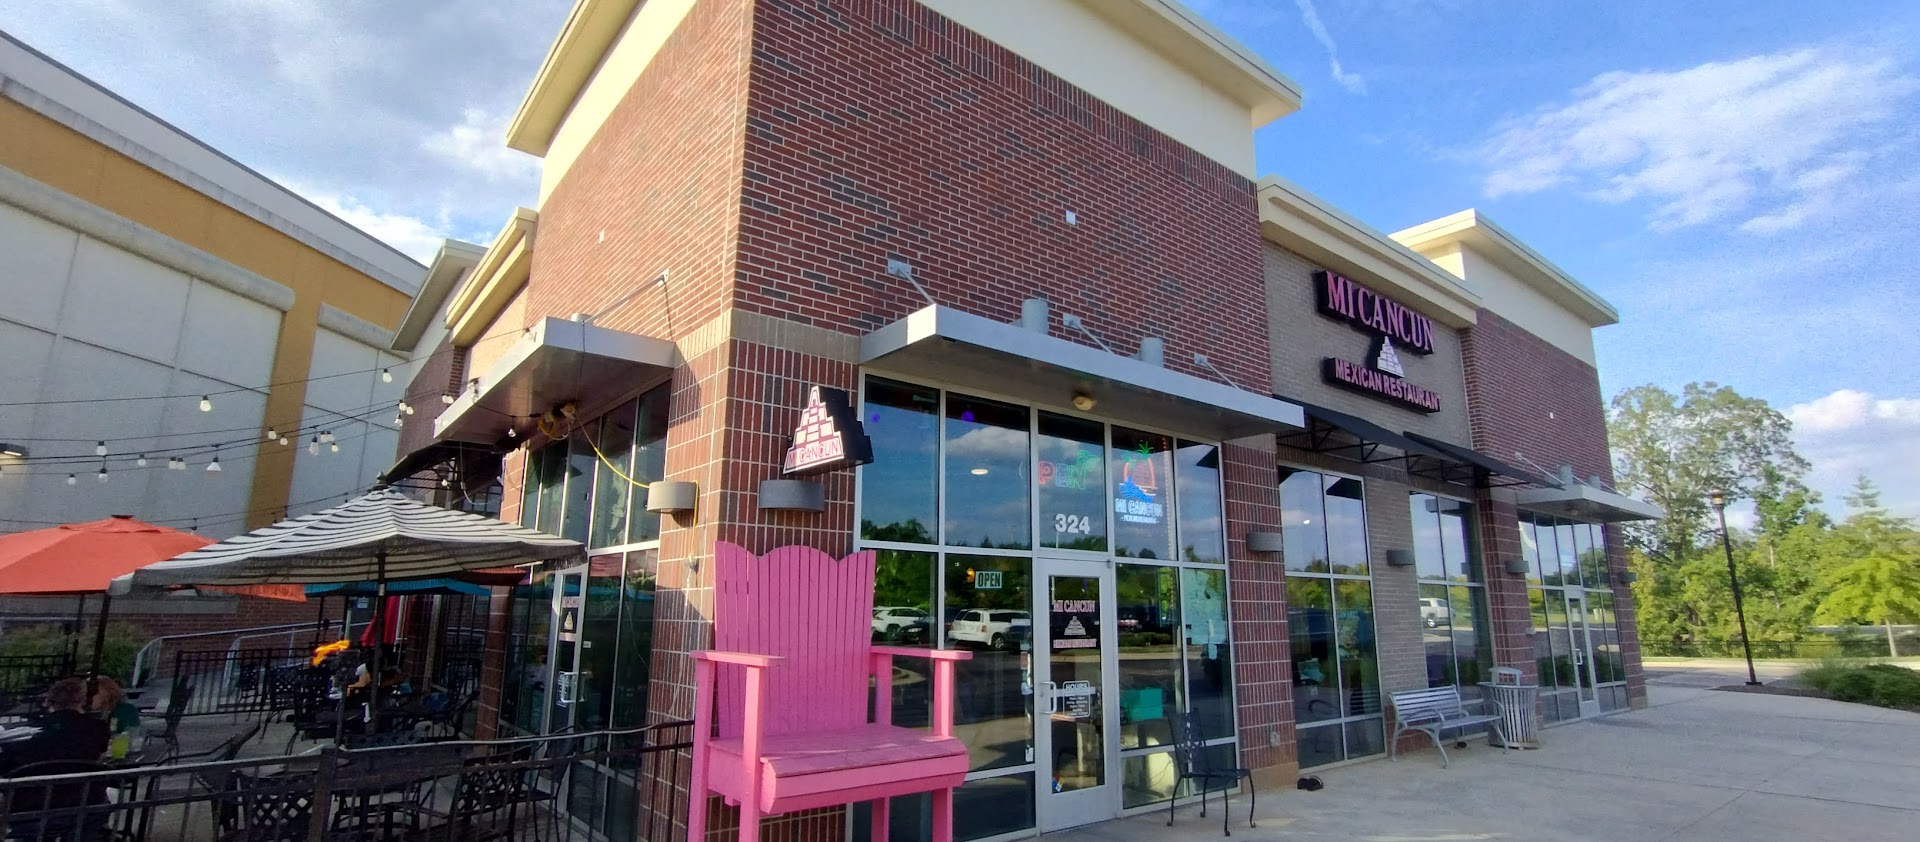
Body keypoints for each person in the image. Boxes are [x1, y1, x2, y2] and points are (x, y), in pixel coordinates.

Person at [2, 678, 111, 772]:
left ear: (50, 700)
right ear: (83, 700)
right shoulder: (98, 728)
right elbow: (99, 759)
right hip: (83, 787)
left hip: (35, 788)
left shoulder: (31, 731)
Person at [89, 677, 142, 742]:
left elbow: (116, 735)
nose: (88, 697)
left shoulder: (120, 711)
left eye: (93, 693)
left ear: (105, 694)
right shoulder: (114, 710)